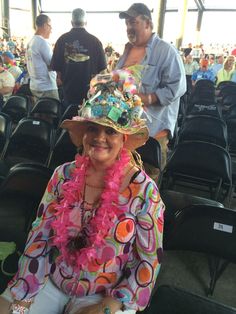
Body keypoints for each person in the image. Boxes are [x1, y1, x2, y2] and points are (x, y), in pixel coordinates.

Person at [0, 69, 165, 314]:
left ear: (124, 139)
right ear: (83, 133)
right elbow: (40, 237)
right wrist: (23, 292)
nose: (99, 138)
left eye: (110, 131)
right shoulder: (63, 176)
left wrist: (109, 305)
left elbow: (149, 260)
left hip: (105, 295)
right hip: (49, 282)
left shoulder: (143, 191)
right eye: (93, 128)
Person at [116, 3, 186, 169]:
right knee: (123, 183)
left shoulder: (166, 51)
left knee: (146, 187)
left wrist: (147, 98)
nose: (128, 27)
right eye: (127, 23)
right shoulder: (127, 51)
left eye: (133, 22)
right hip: (125, 131)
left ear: (148, 23)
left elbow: (177, 87)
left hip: (153, 133)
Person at [50, 8, 107, 108]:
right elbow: (102, 71)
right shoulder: (95, 41)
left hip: (68, 91)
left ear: (71, 22)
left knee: (67, 119)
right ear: (86, 22)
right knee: (87, 121)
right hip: (89, 93)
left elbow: (57, 72)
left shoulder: (61, 40)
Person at [26, 14, 59, 102]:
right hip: (46, 87)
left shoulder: (30, 42)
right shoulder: (42, 42)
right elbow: (53, 64)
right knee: (52, 113)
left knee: (38, 113)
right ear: (45, 25)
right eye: (50, 27)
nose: (51, 30)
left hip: (35, 86)